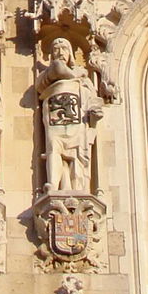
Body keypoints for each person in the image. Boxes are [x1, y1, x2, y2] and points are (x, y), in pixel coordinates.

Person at [37, 37, 101, 193]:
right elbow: (57, 68)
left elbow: (92, 100)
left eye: (64, 49)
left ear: (70, 53)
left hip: (76, 120)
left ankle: (76, 188)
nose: (60, 53)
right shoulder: (46, 74)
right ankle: (53, 184)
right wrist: (75, 76)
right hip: (55, 119)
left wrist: (95, 114)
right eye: (56, 49)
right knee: (54, 148)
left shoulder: (84, 80)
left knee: (76, 154)